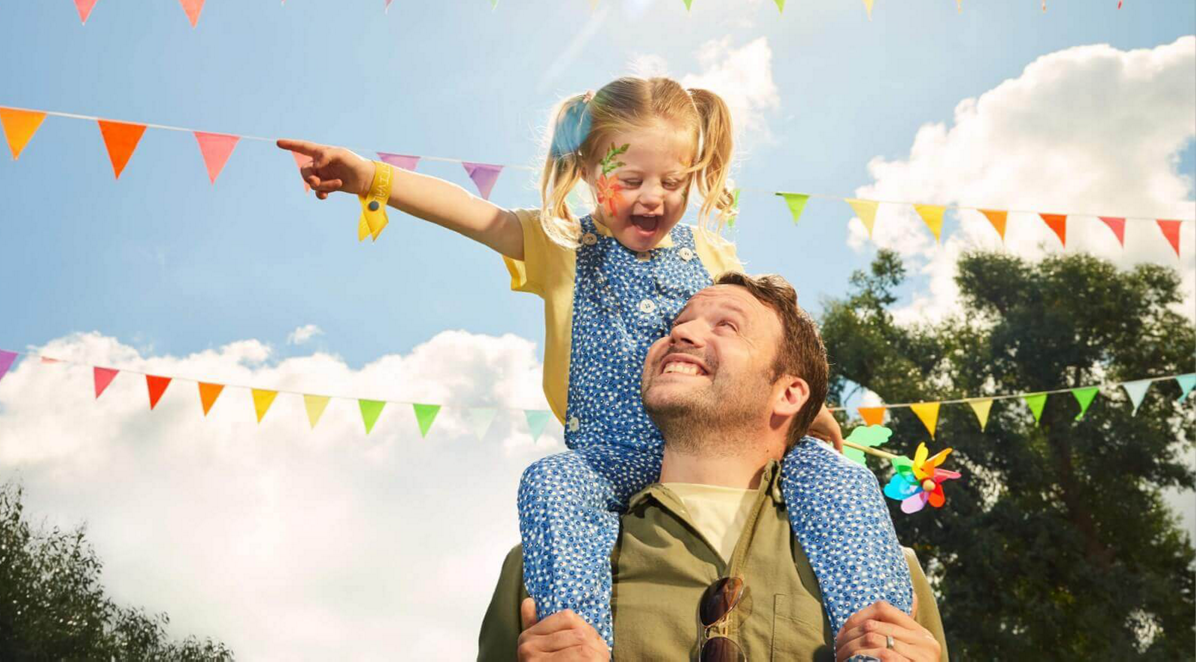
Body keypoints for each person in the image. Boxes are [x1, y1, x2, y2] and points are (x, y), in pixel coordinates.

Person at [276, 77, 910, 651]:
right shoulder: (560, 246)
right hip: (602, 460)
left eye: (673, 182)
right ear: (583, 168)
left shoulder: (710, 253)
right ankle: (577, 642)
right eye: (629, 180)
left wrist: (809, 411)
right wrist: (370, 178)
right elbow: (473, 214)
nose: (653, 199)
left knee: (834, 474)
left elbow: (756, 351)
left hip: (712, 447)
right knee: (550, 480)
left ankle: (881, 637)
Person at [478, 273, 948, 661]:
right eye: (678, 324)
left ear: (788, 393)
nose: (680, 334)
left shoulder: (888, 573)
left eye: (726, 326)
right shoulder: (539, 563)